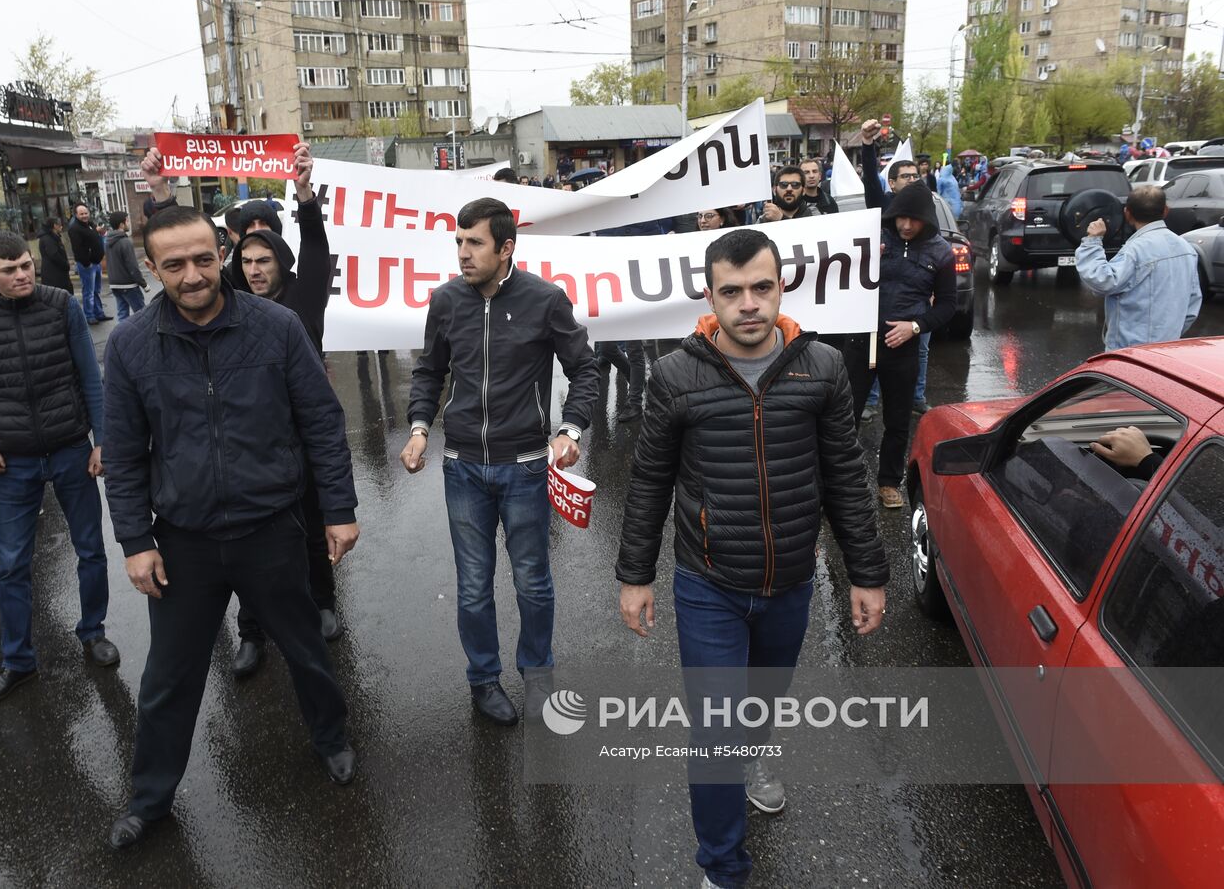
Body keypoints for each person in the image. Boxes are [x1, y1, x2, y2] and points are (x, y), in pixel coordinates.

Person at [616, 228, 889, 889]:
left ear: (780, 288)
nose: (748, 303)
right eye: (731, 291)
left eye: (760, 288)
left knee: (761, 704)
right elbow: (650, 478)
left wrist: (868, 573)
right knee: (715, 734)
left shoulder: (822, 366)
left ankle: (758, 752)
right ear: (709, 295)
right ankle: (723, 869)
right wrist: (634, 575)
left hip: (792, 579)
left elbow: (846, 474)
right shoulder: (676, 375)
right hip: (708, 582)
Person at [102, 205, 360, 850]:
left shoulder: (276, 327)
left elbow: (322, 423)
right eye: (174, 265)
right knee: (169, 677)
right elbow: (125, 453)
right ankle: (149, 799)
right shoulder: (132, 344)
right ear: (152, 268)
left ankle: (332, 740)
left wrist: (338, 508)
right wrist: (136, 542)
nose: (192, 275)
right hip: (184, 540)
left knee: (306, 649)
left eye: (202, 258)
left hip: (271, 528)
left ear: (220, 251)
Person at [401, 198, 600, 726]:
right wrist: (420, 427)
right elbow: (428, 371)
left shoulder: (544, 300)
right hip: (462, 466)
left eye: (474, 244)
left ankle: (538, 675)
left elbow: (586, 370)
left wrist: (570, 429)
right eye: (458, 243)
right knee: (472, 584)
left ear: (506, 247)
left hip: (527, 467)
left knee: (533, 581)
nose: (463, 254)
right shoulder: (445, 301)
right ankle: (483, 680)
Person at [0, 231, 118, 705]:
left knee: (90, 549)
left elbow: (89, 376)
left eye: (26, 266)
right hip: (10, 460)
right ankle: (18, 661)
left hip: (70, 448)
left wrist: (102, 441)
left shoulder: (62, 305)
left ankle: (93, 631)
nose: (21, 276)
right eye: (9, 270)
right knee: (13, 565)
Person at [222, 143, 346, 673]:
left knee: (313, 524)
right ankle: (251, 630)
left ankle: (323, 603)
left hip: (305, 432)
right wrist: (160, 197)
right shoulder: (231, 306)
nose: (253, 270)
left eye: (263, 260)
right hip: (251, 436)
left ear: (282, 263)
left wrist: (302, 191)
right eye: (245, 261)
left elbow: (315, 242)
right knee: (249, 537)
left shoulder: (305, 294)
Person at [842, 184, 956, 509]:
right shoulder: (874, 236)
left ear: (927, 221)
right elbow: (840, 273)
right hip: (861, 339)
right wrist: (862, 258)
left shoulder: (941, 253)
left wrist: (916, 327)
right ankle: (838, 485)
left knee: (897, 419)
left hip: (902, 344)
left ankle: (889, 482)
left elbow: (948, 304)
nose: (906, 225)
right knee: (844, 417)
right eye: (901, 218)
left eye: (914, 220)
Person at [1076, 185, 1201, 351]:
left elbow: (1103, 281)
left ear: (1127, 213)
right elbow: (1192, 305)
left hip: (1130, 351)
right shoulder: (1186, 249)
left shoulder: (1135, 250)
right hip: (1167, 348)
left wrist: (1093, 241)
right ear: (1165, 211)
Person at [858, 119, 923, 211]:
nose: (912, 180)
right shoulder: (884, 204)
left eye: (915, 176)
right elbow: (870, 176)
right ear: (892, 183)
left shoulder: (925, 204)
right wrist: (867, 141)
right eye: (906, 176)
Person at [68, 204, 110, 324]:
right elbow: (78, 249)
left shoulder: (90, 225)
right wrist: (87, 263)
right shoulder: (74, 228)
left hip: (96, 263)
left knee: (96, 290)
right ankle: (89, 315)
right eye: (81, 214)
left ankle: (99, 313)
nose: (84, 215)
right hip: (87, 265)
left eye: (86, 213)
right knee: (88, 292)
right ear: (76, 215)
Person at [102, 211, 148, 321]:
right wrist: (143, 284)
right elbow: (132, 266)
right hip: (128, 285)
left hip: (115, 284)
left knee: (122, 315)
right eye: (126, 221)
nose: (128, 223)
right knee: (142, 314)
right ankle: (146, 337)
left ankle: (122, 337)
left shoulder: (107, 241)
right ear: (122, 224)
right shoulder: (125, 241)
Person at [39, 217, 74, 292]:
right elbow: (54, 255)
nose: (62, 226)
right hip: (54, 275)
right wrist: (66, 265)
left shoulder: (53, 237)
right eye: (60, 224)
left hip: (58, 274)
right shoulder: (48, 239)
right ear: (55, 226)